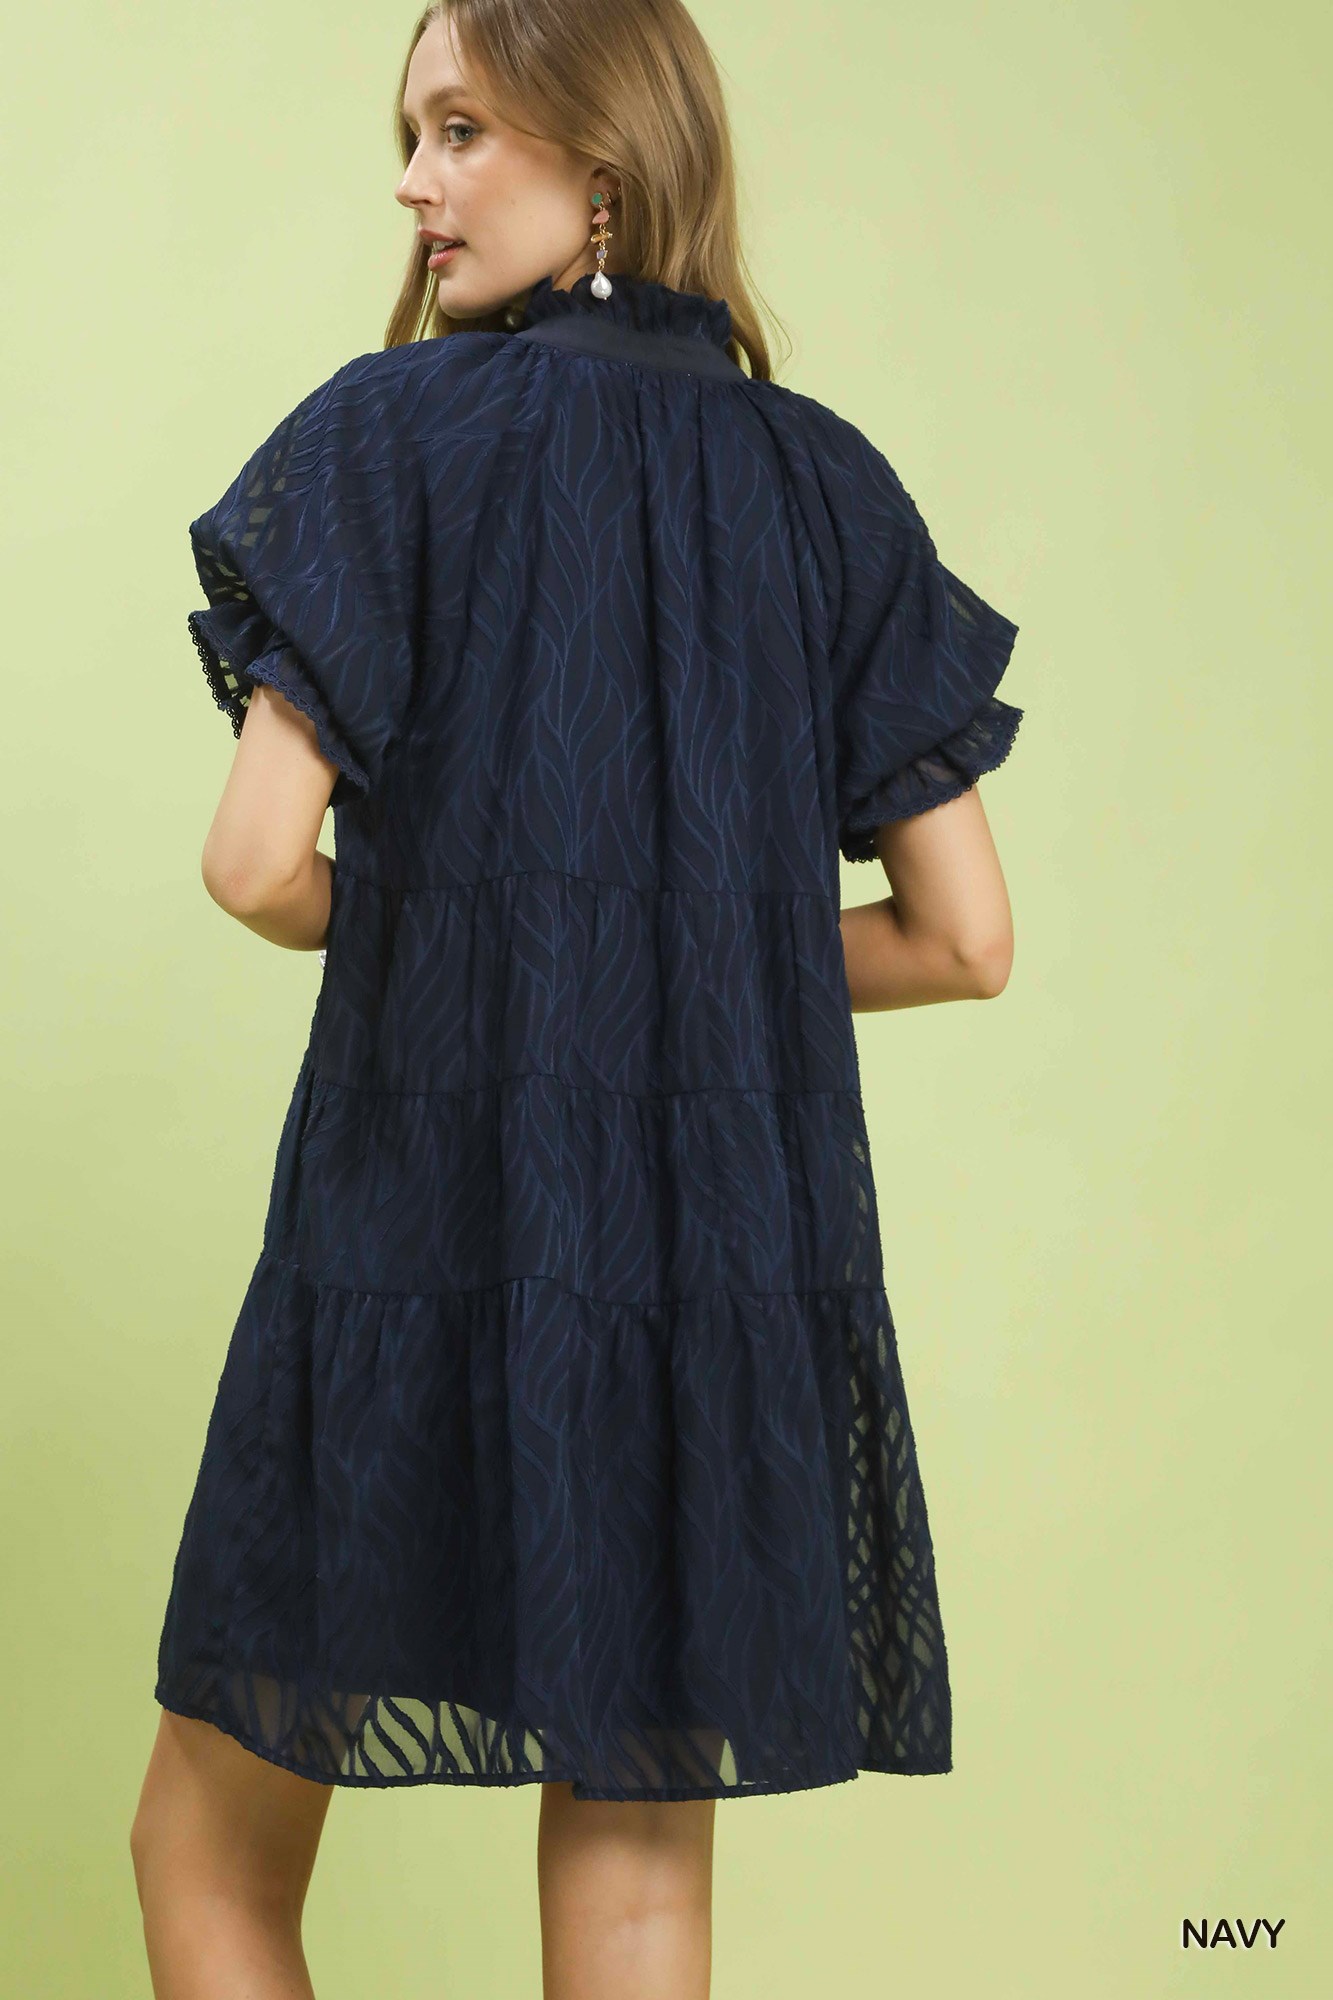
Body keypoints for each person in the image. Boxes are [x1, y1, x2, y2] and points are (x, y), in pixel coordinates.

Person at [130, 0, 1023, 1993]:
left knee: (204, 1848)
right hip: (707, 1275)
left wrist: (461, 943)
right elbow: (965, 937)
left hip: (408, 1242)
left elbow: (256, 865)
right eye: (411, 136)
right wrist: (689, 966)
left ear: (600, 158)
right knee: (630, 1879)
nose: (412, 182)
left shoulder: (382, 440)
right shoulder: (825, 490)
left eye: (457, 130)